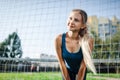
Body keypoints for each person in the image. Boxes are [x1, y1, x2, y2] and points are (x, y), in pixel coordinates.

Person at [55, 9, 96, 80]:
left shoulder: (88, 41)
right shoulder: (58, 39)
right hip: (66, 70)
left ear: (83, 25)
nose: (71, 22)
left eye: (76, 20)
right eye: (70, 18)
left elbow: (83, 65)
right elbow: (61, 63)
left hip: (81, 69)